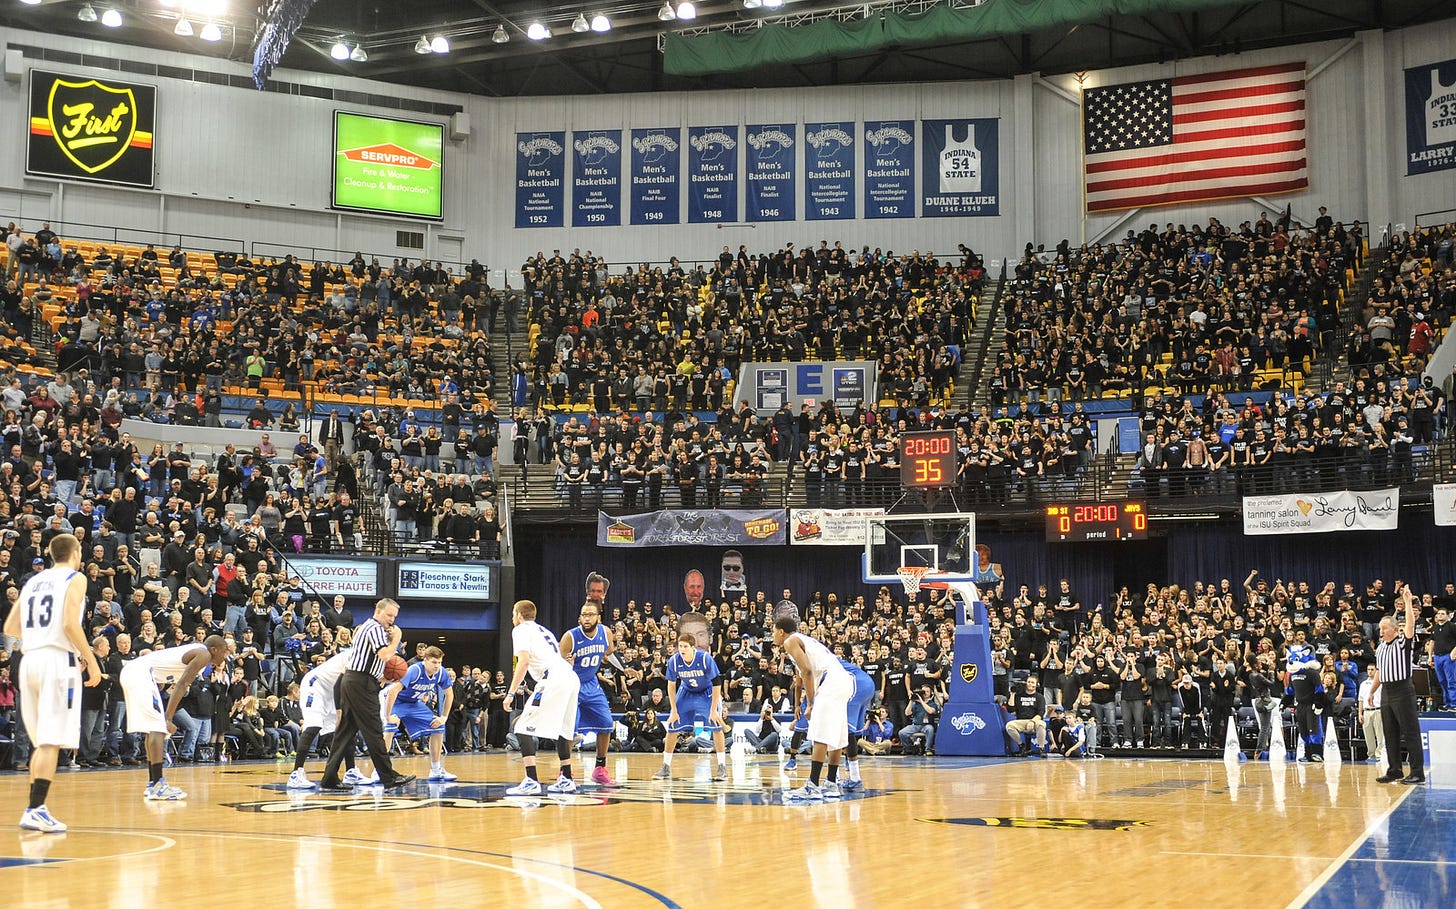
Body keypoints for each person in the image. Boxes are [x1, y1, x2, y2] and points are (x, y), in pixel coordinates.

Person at [4, 533, 102, 833]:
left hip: (29, 659)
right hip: (56, 660)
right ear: (76, 553)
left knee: (41, 741)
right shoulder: (75, 577)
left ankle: (35, 808)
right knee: (50, 741)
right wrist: (91, 660)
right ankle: (35, 809)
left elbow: (11, 627)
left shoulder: (34, 581)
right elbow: (70, 622)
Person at [317, 599, 414, 791]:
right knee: (374, 729)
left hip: (354, 680)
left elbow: (376, 660)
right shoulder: (374, 628)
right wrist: (397, 638)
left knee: (345, 732)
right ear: (378, 611)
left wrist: (383, 677)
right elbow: (385, 656)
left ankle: (329, 778)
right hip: (360, 683)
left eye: (394, 617)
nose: (392, 620)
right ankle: (389, 777)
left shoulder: (371, 628)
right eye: (389, 615)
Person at [119, 635, 230, 801]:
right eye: (224, 652)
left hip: (137, 673)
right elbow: (182, 685)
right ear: (214, 649)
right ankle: (157, 785)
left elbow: (170, 679)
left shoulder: (198, 655)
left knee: (153, 728)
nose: (225, 657)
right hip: (139, 674)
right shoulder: (204, 653)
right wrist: (168, 718)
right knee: (158, 727)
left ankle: (153, 784)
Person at [502, 599, 580, 796]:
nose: (513, 618)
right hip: (570, 676)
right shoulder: (544, 631)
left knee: (521, 727)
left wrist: (510, 693)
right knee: (564, 729)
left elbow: (524, 661)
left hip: (553, 677)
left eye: (513, 614)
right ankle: (567, 779)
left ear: (519, 615)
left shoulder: (520, 630)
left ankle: (531, 780)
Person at [774, 614, 854, 802]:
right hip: (843, 681)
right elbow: (802, 676)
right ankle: (831, 783)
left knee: (820, 734)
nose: (773, 636)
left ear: (781, 631)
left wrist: (810, 703)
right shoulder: (805, 640)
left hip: (830, 682)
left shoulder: (790, 641)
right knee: (836, 735)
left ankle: (813, 786)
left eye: (773, 632)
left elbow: (808, 672)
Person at [652, 631, 727, 782]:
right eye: (680, 646)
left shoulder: (705, 658)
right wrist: (673, 710)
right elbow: (671, 686)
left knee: (716, 726)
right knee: (672, 726)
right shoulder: (674, 661)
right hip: (686, 691)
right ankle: (665, 767)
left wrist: (713, 711)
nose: (682, 649)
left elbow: (717, 684)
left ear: (693, 647)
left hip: (706, 692)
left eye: (685, 646)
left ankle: (722, 767)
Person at [561, 600, 618, 787]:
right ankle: (565, 773)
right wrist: (566, 665)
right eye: (583, 614)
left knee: (606, 724)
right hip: (572, 686)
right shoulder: (570, 637)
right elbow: (556, 664)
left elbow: (609, 651)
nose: (586, 618)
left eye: (590, 614)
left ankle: (600, 769)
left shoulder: (605, 632)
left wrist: (625, 669)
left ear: (598, 617)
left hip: (592, 684)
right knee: (570, 729)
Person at [382, 645, 456, 782]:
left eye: (439, 662)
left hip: (413, 703)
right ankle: (380, 771)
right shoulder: (414, 670)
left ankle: (435, 770)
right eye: (434, 662)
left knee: (438, 726)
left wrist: (444, 717)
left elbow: (449, 694)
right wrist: (388, 716)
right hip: (395, 701)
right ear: (425, 660)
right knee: (390, 728)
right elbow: (392, 691)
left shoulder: (441, 672)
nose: (437, 666)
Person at [1374, 584, 1423, 784]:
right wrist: (1371, 692)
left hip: (1403, 689)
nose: (1381, 631)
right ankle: (1394, 769)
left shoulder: (1402, 642)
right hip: (1386, 690)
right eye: (1380, 628)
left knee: (1410, 731)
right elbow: (1379, 671)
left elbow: (1410, 625)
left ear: (1394, 629)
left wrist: (1408, 602)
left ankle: (1417, 772)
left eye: (1384, 628)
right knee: (1390, 732)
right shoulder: (1380, 648)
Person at [837, 656, 877, 791]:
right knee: (849, 733)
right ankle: (855, 777)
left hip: (856, 685)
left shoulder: (816, 663)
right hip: (867, 684)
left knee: (836, 730)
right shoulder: (828, 658)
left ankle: (833, 779)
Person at [1005, 675, 1048, 757]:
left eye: (1032, 682)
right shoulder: (1019, 695)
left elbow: (1041, 713)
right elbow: (1010, 709)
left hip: (1035, 720)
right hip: (1021, 721)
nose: (1030, 684)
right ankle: (1021, 745)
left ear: (1036, 684)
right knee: (1009, 726)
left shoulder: (1039, 697)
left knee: (1041, 724)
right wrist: (1013, 694)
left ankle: (1041, 748)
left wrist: (1032, 721)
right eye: (1028, 682)